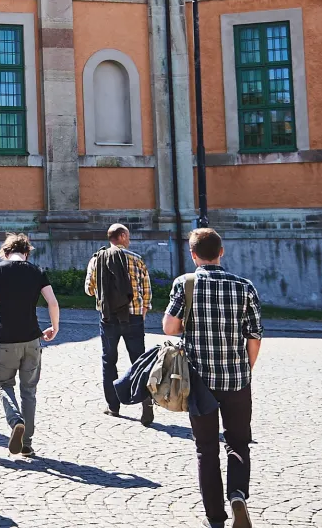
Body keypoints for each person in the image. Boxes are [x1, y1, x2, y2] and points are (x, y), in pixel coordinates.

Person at [164, 228, 264, 528]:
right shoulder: (244, 286)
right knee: (239, 442)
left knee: (206, 448)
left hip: (199, 380)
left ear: (193, 255)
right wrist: (247, 369)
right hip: (237, 379)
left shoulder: (187, 283)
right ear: (222, 252)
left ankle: (215, 517)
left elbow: (169, 327)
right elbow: (254, 336)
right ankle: (237, 495)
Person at [0, 234, 60, 458]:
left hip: (7, 339)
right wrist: (54, 327)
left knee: (3, 384)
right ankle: (27, 443)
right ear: (27, 252)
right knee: (29, 391)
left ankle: (15, 421)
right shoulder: (36, 271)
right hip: (32, 339)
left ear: (6, 252)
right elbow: (52, 301)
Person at [86, 222, 154, 425]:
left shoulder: (97, 260)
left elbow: (89, 290)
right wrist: (142, 312)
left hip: (108, 318)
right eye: (129, 235)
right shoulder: (136, 259)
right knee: (139, 361)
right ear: (123, 236)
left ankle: (113, 406)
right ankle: (145, 402)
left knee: (109, 361)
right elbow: (147, 290)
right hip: (133, 317)